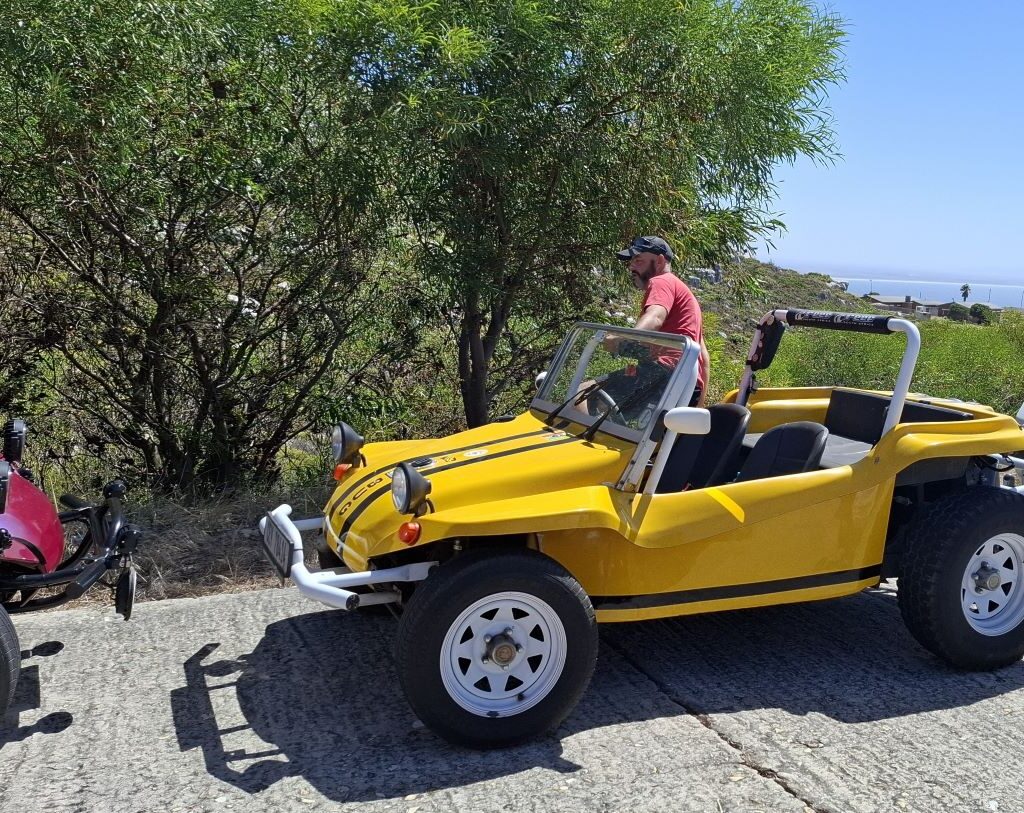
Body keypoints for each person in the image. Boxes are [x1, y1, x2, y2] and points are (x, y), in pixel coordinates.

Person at [609, 235, 710, 408]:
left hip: (664, 376)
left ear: (660, 261)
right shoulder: (683, 291)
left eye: (638, 261)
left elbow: (655, 317)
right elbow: (703, 356)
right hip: (686, 384)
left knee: (583, 397)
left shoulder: (661, 281)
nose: (631, 267)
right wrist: (699, 405)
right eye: (631, 262)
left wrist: (621, 340)